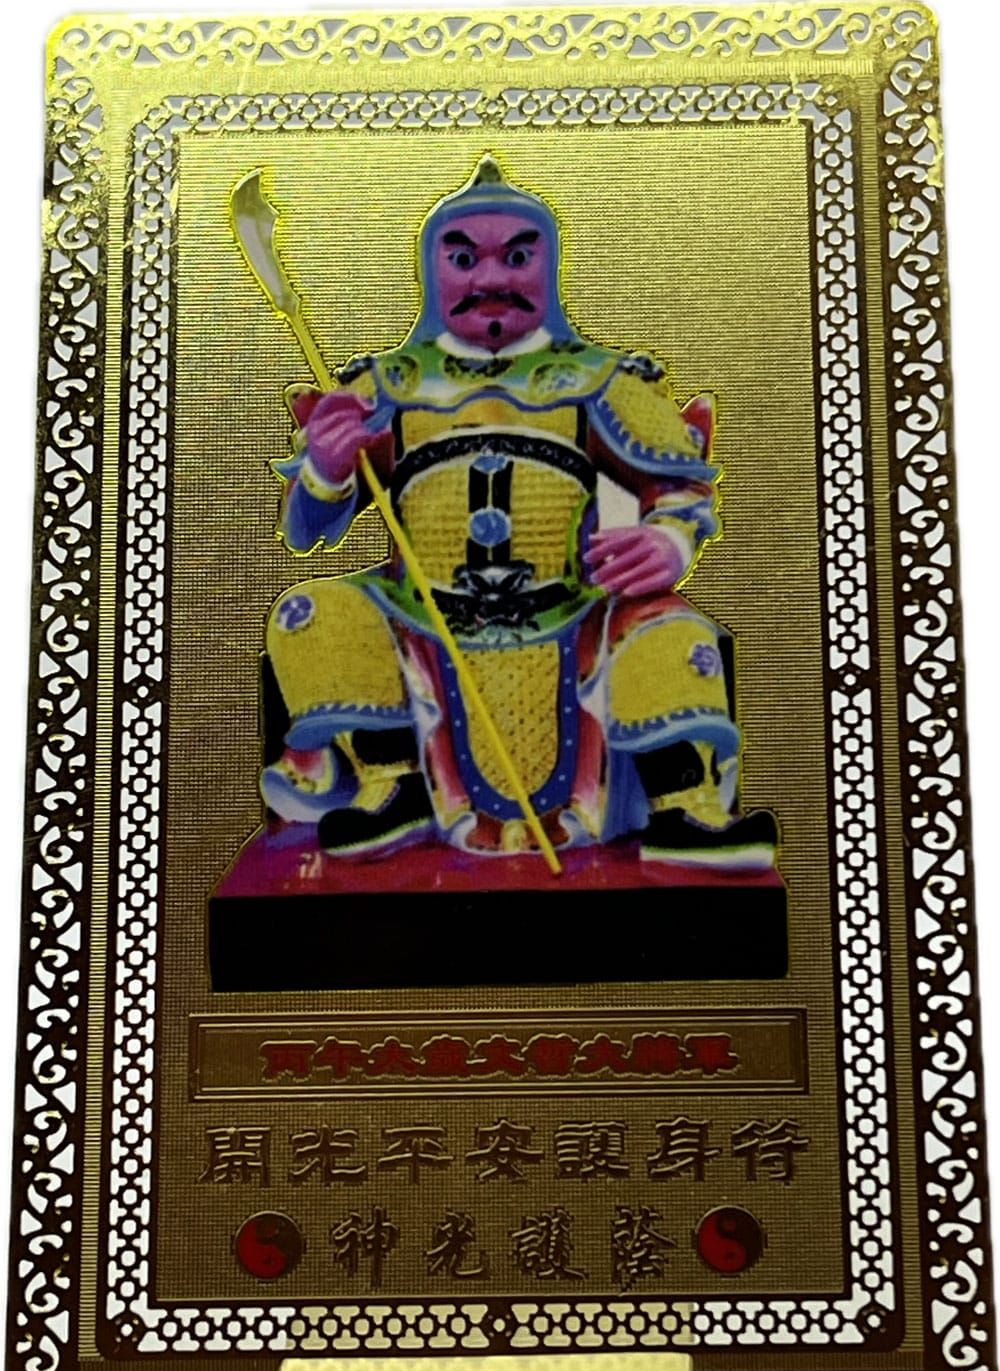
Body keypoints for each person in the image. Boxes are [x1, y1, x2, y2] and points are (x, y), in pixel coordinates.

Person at [262, 156, 777, 870]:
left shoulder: (597, 380)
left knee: (666, 628)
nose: (490, 278)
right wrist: (326, 466)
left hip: (574, 611)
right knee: (314, 612)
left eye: (517, 256)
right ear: (430, 270)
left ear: (550, 265)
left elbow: (678, 484)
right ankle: (392, 783)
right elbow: (305, 529)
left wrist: (668, 540)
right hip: (421, 615)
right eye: (463, 258)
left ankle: (682, 803)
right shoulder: (387, 387)